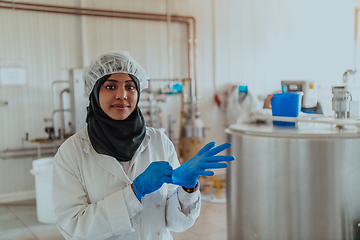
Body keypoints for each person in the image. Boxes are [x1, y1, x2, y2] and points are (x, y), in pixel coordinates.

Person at [52, 51, 234, 240]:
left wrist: (187, 189)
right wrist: (134, 192)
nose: (122, 95)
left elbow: (175, 223)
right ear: (94, 92)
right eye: (110, 86)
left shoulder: (159, 141)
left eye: (130, 87)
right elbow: (73, 227)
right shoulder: (71, 152)